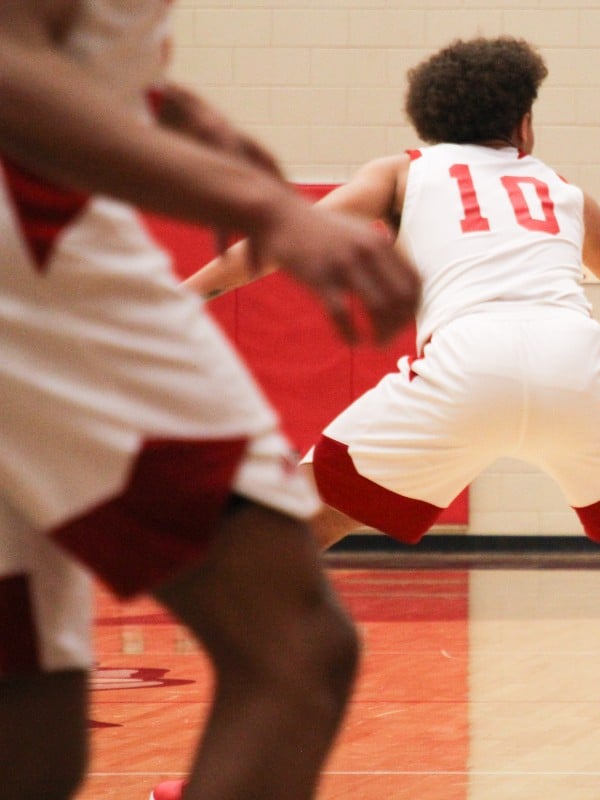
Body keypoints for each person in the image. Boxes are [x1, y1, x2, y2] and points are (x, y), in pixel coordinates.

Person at [178, 36, 600, 800]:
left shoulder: (404, 172)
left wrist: (183, 297)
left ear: (432, 119)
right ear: (523, 123)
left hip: (464, 363)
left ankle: (233, 768)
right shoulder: (562, 191)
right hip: (573, 360)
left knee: (284, 534)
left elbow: (281, 240)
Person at [0, 3, 422, 799]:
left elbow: (62, 42)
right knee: (293, 649)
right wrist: (266, 205)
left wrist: (169, 107)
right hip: (35, 252)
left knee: (31, 727)